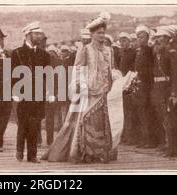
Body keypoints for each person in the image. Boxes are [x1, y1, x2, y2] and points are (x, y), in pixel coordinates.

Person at [42, 12, 130, 163]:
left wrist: (119, 79)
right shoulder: (85, 49)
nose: (102, 36)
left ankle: (100, 152)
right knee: (87, 121)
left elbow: (111, 69)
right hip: (88, 91)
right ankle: (85, 152)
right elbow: (77, 69)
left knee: (102, 123)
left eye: (103, 33)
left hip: (104, 91)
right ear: (92, 34)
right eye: (99, 33)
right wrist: (80, 85)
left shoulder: (110, 51)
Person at [12, 21, 50, 163]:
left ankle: (32, 155)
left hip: (38, 94)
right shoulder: (17, 53)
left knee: (35, 124)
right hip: (22, 94)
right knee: (23, 124)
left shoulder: (44, 54)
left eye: (40, 33)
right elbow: (13, 74)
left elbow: (47, 75)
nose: (39, 36)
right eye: (36, 33)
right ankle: (19, 150)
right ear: (28, 34)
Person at [150, 27, 177, 157]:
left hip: (167, 90)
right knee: (164, 120)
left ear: (167, 39)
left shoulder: (172, 53)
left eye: (161, 38)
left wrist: (174, 94)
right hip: (158, 90)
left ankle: (174, 149)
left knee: (170, 120)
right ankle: (169, 146)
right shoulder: (158, 53)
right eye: (156, 38)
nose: (157, 40)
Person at [130, 25, 157, 148]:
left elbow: (152, 68)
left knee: (147, 113)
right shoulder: (139, 51)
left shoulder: (148, 50)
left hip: (147, 85)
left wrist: (142, 74)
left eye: (142, 37)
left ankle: (151, 140)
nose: (140, 39)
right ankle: (144, 138)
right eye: (138, 37)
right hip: (139, 85)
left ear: (147, 37)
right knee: (141, 113)